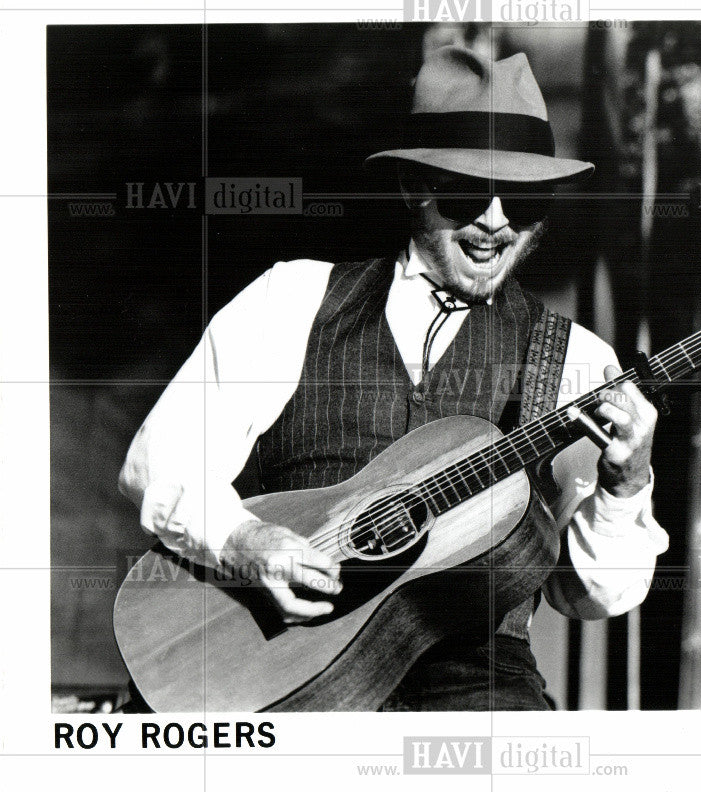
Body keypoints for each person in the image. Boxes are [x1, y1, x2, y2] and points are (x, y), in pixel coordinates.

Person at [118, 45, 669, 711]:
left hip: (477, 697)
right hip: (281, 675)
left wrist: (625, 482)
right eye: (468, 191)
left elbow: (593, 594)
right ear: (415, 186)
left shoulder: (577, 359)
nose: (495, 220)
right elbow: (160, 460)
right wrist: (245, 543)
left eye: (522, 199)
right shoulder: (294, 298)